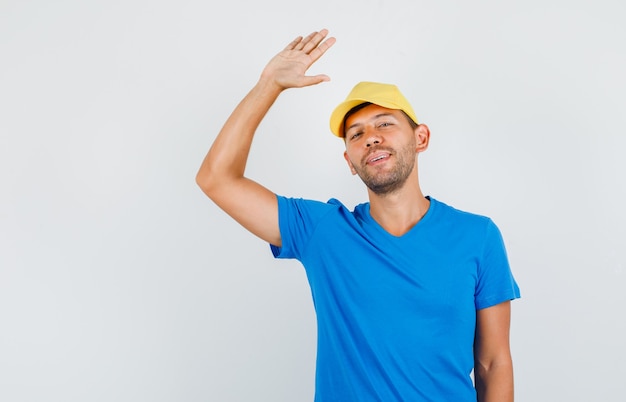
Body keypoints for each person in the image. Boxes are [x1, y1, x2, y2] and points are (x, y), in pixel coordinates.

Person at [196, 29, 521, 402]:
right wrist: (269, 84)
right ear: (350, 161)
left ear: (421, 138)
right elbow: (216, 178)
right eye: (356, 134)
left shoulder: (477, 236)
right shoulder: (321, 231)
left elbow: (493, 363)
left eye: (385, 124)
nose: (371, 137)